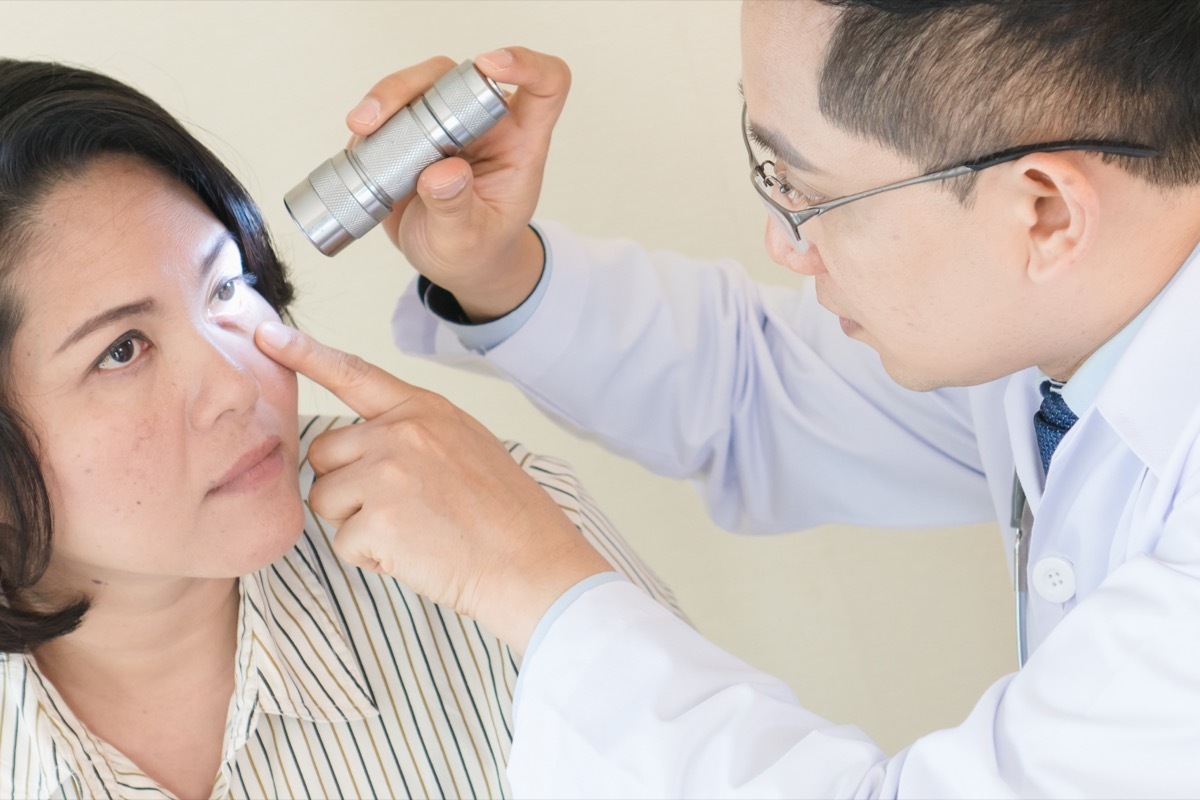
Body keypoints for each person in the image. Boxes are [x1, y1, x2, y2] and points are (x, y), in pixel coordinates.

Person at [257, 0, 1200, 796]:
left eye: (803, 189)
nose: (784, 241)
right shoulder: (1070, 313)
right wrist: (496, 268)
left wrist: (533, 581)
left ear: (1044, 212)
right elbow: (758, 387)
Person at [0, 58, 680, 799]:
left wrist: (567, 608)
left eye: (227, 286)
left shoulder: (508, 537)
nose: (237, 384)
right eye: (121, 350)